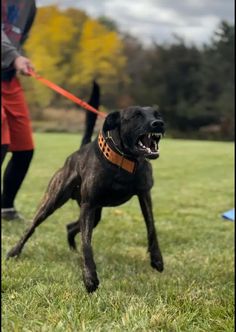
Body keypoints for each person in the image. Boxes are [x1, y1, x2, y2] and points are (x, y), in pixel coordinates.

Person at [1, 0, 37, 220]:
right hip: (8, 63)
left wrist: (19, 59)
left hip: (8, 78)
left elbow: (20, 37)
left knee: (24, 148)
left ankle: (5, 208)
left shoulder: (29, 5)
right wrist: (14, 57)